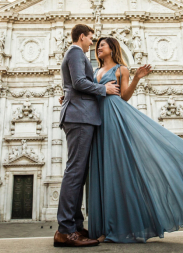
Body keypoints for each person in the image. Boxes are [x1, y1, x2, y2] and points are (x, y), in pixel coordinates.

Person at [87, 37, 183, 243]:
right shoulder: (95, 72)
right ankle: (103, 228)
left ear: (112, 48)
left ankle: (116, 227)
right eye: (97, 46)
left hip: (115, 116)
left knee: (119, 167)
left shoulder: (122, 69)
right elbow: (90, 94)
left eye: (102, 45)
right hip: (99, 119)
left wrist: (137, 77)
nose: (98, 47)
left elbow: (125, 97)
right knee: (102, 169)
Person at [54, 24, 120, 248]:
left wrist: (69, 96)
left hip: (81, 115)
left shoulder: (77, 55)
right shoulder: (75, 53)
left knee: (78, 174)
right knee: (74, 173)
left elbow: (73, 86)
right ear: (81, 37)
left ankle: (75, 226)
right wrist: (104, 90)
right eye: (91, 38)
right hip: (80, 118)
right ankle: (65, 230)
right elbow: (78, 82)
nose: (92, 42)